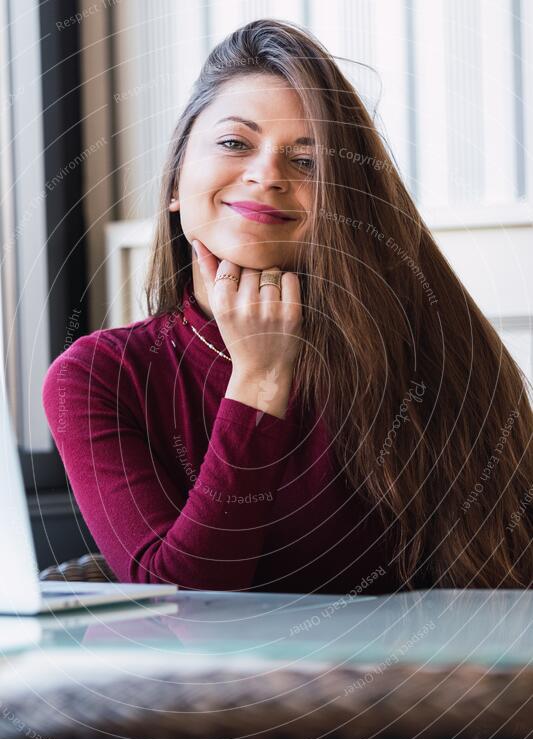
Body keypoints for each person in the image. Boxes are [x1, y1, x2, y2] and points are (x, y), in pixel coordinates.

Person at [42, 19, 532, 594]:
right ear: (175, 183)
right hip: (197, 686)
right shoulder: (96, 376)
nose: (266, 175)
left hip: (401, 683)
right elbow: (184, 599)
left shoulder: (426, 349)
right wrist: (259, 380)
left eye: (306, 162)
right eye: (234, 143)